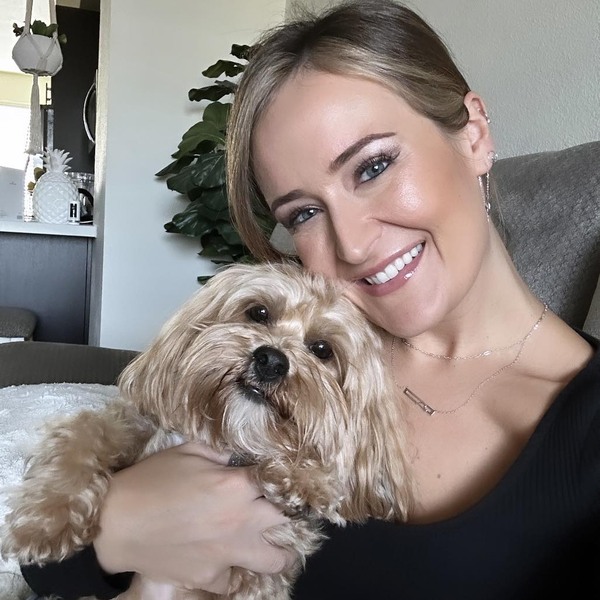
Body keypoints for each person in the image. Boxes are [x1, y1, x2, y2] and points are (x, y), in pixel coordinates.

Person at [20, 1, 600, 598]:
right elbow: (43, 565)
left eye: (373, 166)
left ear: (473, 135)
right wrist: (120, 526)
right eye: (304, 213)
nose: (352, 245)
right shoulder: (293, 346)